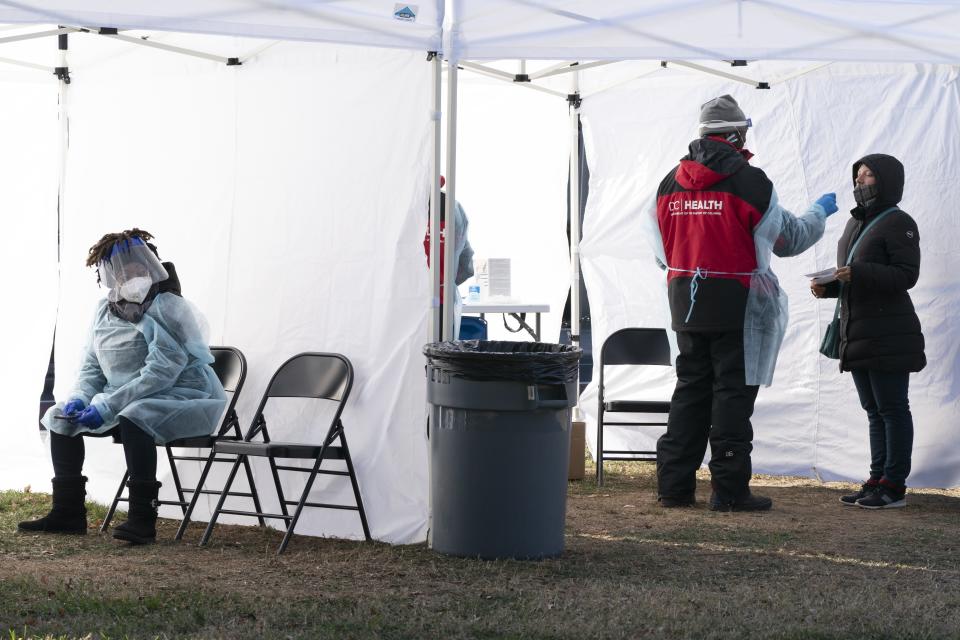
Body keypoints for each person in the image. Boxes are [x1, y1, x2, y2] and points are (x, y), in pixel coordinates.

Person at [648, 95, 839, 511]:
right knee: (732, 394)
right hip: (739, 307)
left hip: (686, 304)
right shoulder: (751, 183)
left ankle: (674, 488)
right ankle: (730, 492)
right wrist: (818, 213)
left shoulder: (668, 183)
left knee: (690, 392)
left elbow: (660, 251)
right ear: (736, 134)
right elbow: (790, 240)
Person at [18, 229, 226, 544]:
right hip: (123, 398)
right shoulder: (105, 309)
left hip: (179, 396)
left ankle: (143, 519)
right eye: (119, 270)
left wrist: (108, 406)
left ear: (149, 265)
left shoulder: (168, 306)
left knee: (135, 415)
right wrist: (80, 397)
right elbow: (92, 366)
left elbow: (162, 371)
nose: (127, 275)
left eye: (135, 267)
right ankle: (68, 513)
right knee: (61, 416)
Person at [811, 154, 924, 509]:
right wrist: (829, 287)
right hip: (856, 328)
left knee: (892, 408)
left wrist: (859, 274)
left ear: (887, 180)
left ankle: (894, 486)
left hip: (888, 330)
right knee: (874, 410)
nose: (861, 182)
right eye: (858, 175)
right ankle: (876, 479)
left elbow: (907, 275)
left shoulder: (899, 222)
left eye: (869, 175)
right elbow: (854, 275)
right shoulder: (854, 223)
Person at [424, 176, 474, 339]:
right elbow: (466, 263)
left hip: (410, 300)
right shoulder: (454, 208)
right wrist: (447, 284)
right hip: (442, 299)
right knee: (440, 353)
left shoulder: (406, 208)